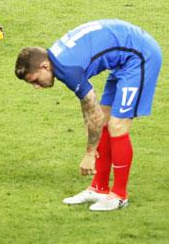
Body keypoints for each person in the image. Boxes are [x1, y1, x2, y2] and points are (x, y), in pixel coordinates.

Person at [15, 20, 162, 211]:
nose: (36, 86)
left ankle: (119, 195)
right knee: (104, 121)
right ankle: (99, 188)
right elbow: (91, 110)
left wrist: (90, 153)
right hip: (123, 60)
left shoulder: (68, 69)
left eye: (34, 80)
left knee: (117, 125)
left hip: (140, 56)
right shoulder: (57, 59)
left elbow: (91, 106)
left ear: (44, 66)